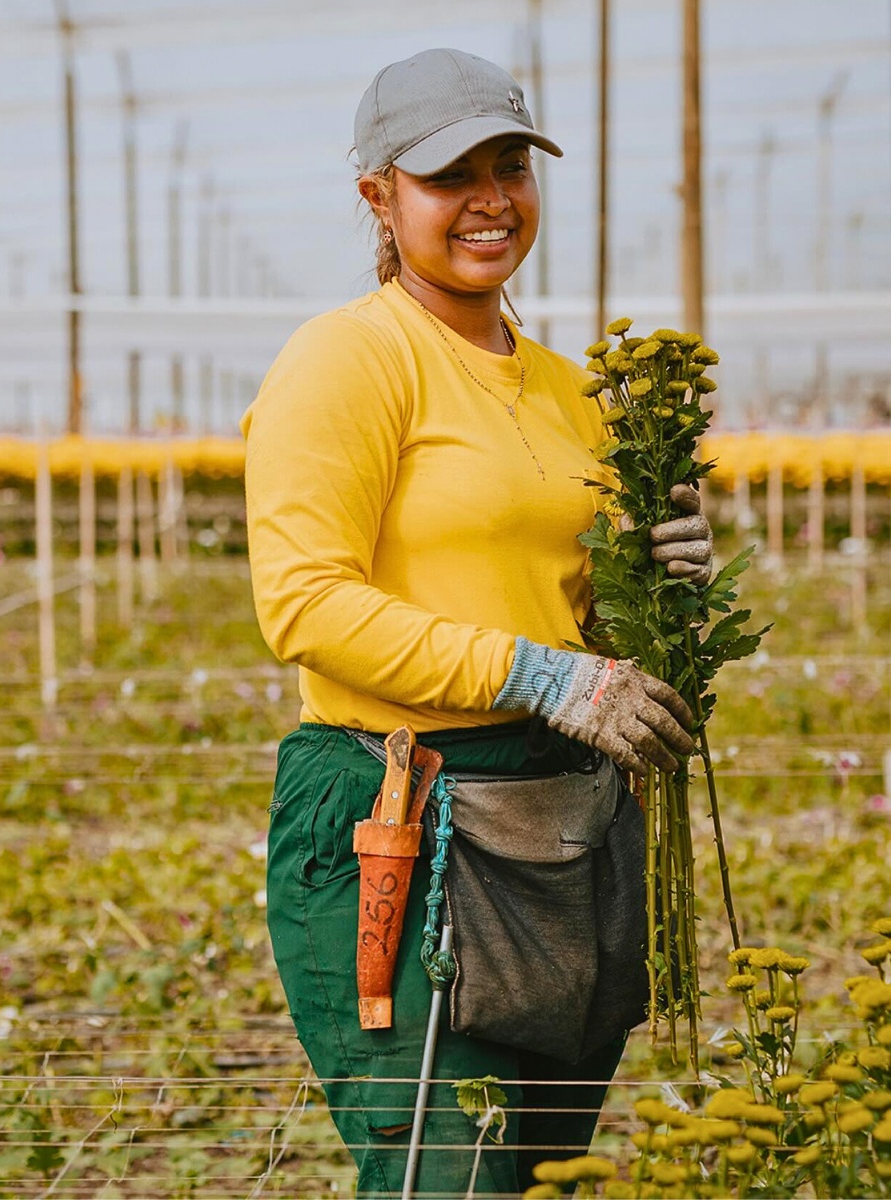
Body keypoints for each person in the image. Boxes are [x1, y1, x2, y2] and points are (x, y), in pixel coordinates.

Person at [242, 47, 713, 1200]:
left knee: (538, 1177)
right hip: (393, 816)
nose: (491, 200)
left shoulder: (571, 389)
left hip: (561, 825)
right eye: (452, 175)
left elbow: (585, 631)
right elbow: (303, 602)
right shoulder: (350, 360)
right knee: (446, 1182)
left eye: (512, 166)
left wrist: (659, 596)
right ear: (380, 197)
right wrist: (541, 676)